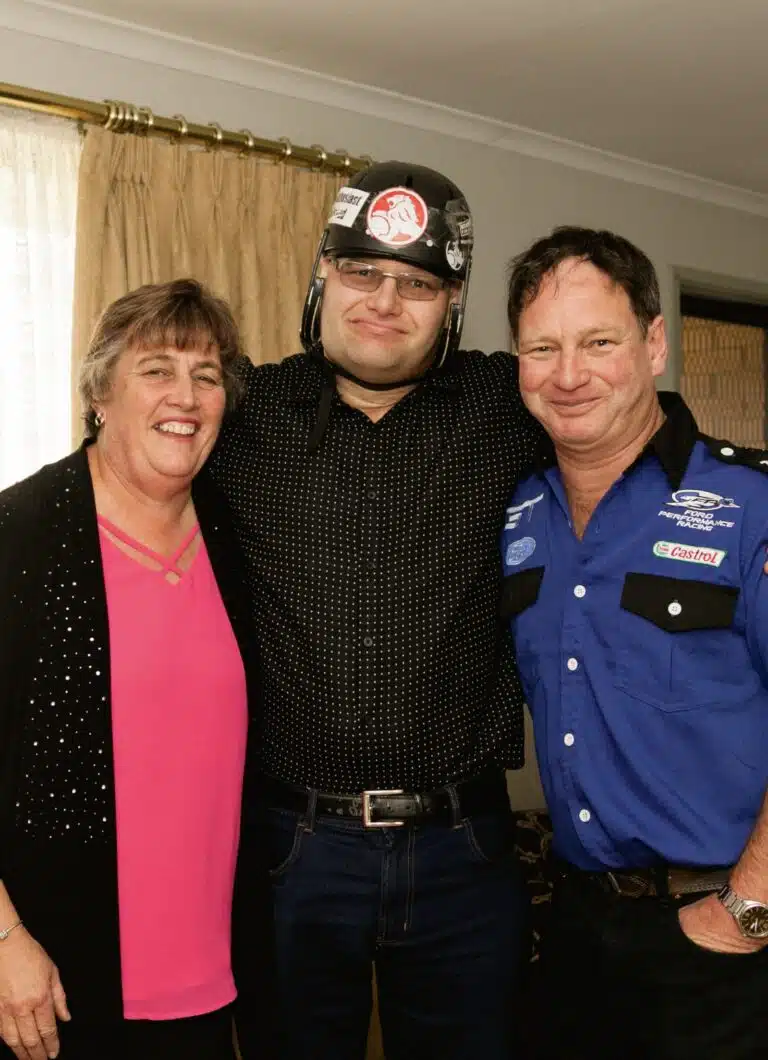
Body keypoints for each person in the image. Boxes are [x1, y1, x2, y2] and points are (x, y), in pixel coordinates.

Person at [208, 161, 545, 1060]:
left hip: (464, 850)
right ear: (323, 271)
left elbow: (634, 416)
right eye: (363, 272)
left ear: (453, 299)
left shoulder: (506, 407)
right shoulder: (243, 411)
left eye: (418, 283)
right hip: (291, 849)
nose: (385, 302)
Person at [500, 226, 768, 1059]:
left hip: (725, 936)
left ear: (653, 345)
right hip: (579, 931)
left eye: (598, 342)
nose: (569, 374)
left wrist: (749, 911)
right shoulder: (517, 518)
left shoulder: (747, 503)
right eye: (542, 348)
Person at [0, 279, 273, 1060]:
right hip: (53, 979)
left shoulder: (232, 532)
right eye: (156, 369)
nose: (184, 395)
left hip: (213, 972)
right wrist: (4, 941)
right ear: (99, 392)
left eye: (207, 375)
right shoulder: (18, 537)